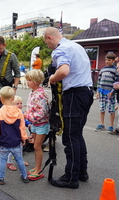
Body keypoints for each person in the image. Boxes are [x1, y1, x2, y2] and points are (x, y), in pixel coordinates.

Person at [44, 27, 94, 189]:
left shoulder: (61, 49)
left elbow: (64, 70)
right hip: (87, 92)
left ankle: (71, 177)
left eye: (47, 42)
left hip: (74, 95)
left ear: (50, 37)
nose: (48, 46)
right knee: (77, 134)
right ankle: (81, 172)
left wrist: (51, 78)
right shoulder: (77, 46)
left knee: (70, 136)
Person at [0, 86, 29, 185]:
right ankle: (25, 176)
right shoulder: (19, 112)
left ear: (1, 99)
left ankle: (0, 178)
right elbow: (22, 127)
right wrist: (24, 138)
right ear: (13, 98)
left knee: (2, 160)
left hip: (4, 142)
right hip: (16, 142)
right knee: (19, 159)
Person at [23, 69, 50, 181]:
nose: (27, 82)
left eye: (30, 80)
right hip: (35, 124)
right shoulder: (33, 92)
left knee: (37, 147)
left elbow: (42, 112)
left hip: (41, 125)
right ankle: (36, 167)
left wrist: (27, 116)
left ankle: (38, 169)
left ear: (37, 81)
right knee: (35, 147)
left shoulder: (40, 95)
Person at [94, 52, 118, 133]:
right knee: (102, 109)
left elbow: (116, 82)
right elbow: (99, 81)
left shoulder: (115, 70)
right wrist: (97, 91)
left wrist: (112, 91)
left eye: (109, 60)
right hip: (102, 92)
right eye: (106, 60)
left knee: (111, 110)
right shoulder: (102, 69)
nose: (107, 61)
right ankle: (101, 124)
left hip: (110, 93)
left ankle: (111, 125)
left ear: (113, 60)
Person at [6, 95, 30, 171]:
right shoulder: (11, 114)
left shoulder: (21, 113)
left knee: (20, 148)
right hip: (13, 135)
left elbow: (24, 121)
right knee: (12, 149)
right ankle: (9, 163)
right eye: (17, 103)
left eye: (21, 103)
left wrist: (28, 124)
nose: (20, 105)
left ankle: (21, 160)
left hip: (20, 135)